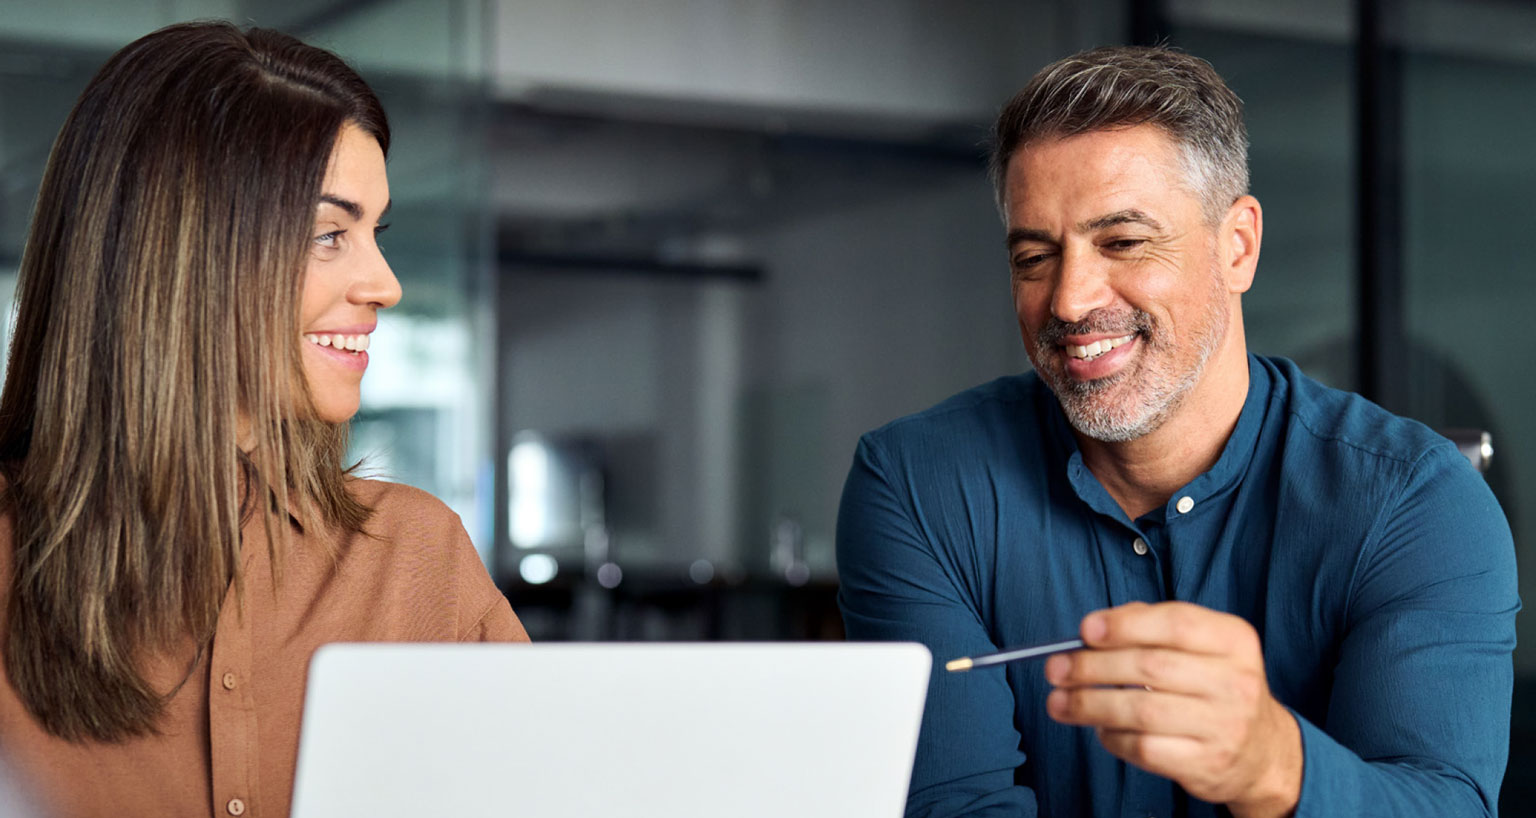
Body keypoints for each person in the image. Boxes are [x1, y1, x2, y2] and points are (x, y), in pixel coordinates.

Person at [836, 46, 1517, 818]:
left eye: (1122, 242)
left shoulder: (1415, 502)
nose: (1068, 300)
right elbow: (954, 806)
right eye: (1035, 256)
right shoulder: (917, 484)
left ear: (1239, 246)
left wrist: (1275, 766)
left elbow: (1443, 803)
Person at [0, 21, 528, 818]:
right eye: (329, 234)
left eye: (373, 234)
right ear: (185, 251)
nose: (384, 284)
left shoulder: (418, 562)